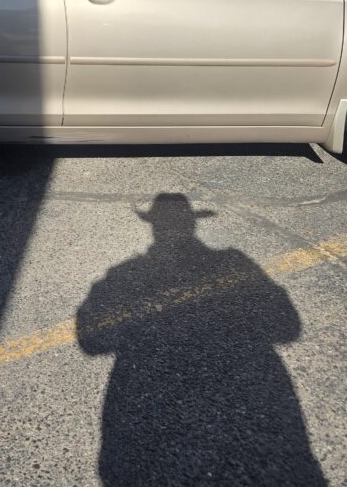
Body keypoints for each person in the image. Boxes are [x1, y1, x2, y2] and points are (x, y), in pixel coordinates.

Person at [77, 193, 325, 486]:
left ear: (154, 225)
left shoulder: (122, 275)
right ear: (192, 223)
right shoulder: (234, 262)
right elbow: (287, 327)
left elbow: (93, 342)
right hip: (248, 406)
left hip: (152, 414)